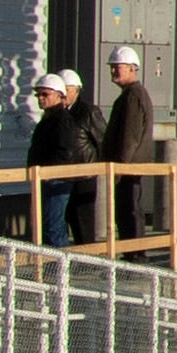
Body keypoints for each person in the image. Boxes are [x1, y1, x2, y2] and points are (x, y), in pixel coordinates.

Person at [101, 43, 164, 247]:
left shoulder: (133, 96)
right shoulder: (131, 95)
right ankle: (133, 251)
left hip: (128, 166)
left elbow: (130, 136)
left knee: (129, 208)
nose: (112, 71)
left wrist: (120, 167)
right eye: (112, 66)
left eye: (117, 66)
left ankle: (135, 252)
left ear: (131, 68)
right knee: (128, 208)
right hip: (129, 166)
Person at [25, 70, 97, 246]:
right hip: (47, 178)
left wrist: (49, 172)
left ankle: (58, 268)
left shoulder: (61, 120)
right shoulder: (49, 119)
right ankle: (51, 266)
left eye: (45, 94)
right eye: (38, 95)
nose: (40, 98)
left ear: (59, 96)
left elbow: (65, 151)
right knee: (48, 224)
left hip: (57, 179)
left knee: (53, 225)